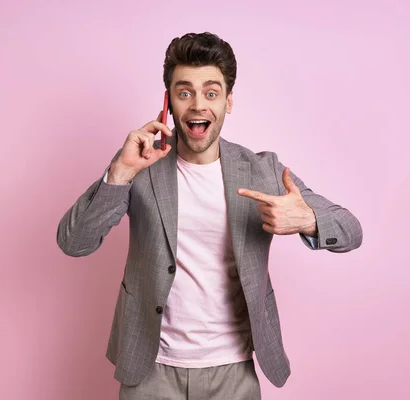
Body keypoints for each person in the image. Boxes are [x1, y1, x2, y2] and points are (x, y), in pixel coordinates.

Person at [57, 32, 363, 400]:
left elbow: (351, 230)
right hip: (151, 371)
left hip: (233, 373)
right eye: (185, 92)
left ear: (228, 101)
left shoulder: (263, 170)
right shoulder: (141, 164)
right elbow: (74, 243)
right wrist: (119, 173)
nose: (198, 105)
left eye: (211, 93)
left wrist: (308, 221)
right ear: (168, 101)